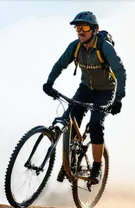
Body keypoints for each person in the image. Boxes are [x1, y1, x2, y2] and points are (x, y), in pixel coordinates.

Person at [42, 11, 127, 185]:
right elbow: (60, 65)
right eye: (77, 28)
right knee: (70, 120)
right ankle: (70, 160)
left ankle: (96, 166)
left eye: (85, 27)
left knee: (96, 124)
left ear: (95, 30)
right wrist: (49, 83)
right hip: (86, 88)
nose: (80, 31)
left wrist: (118, 99)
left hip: (105, 91)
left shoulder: (105, 47)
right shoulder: (75, 46)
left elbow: (120, 72)